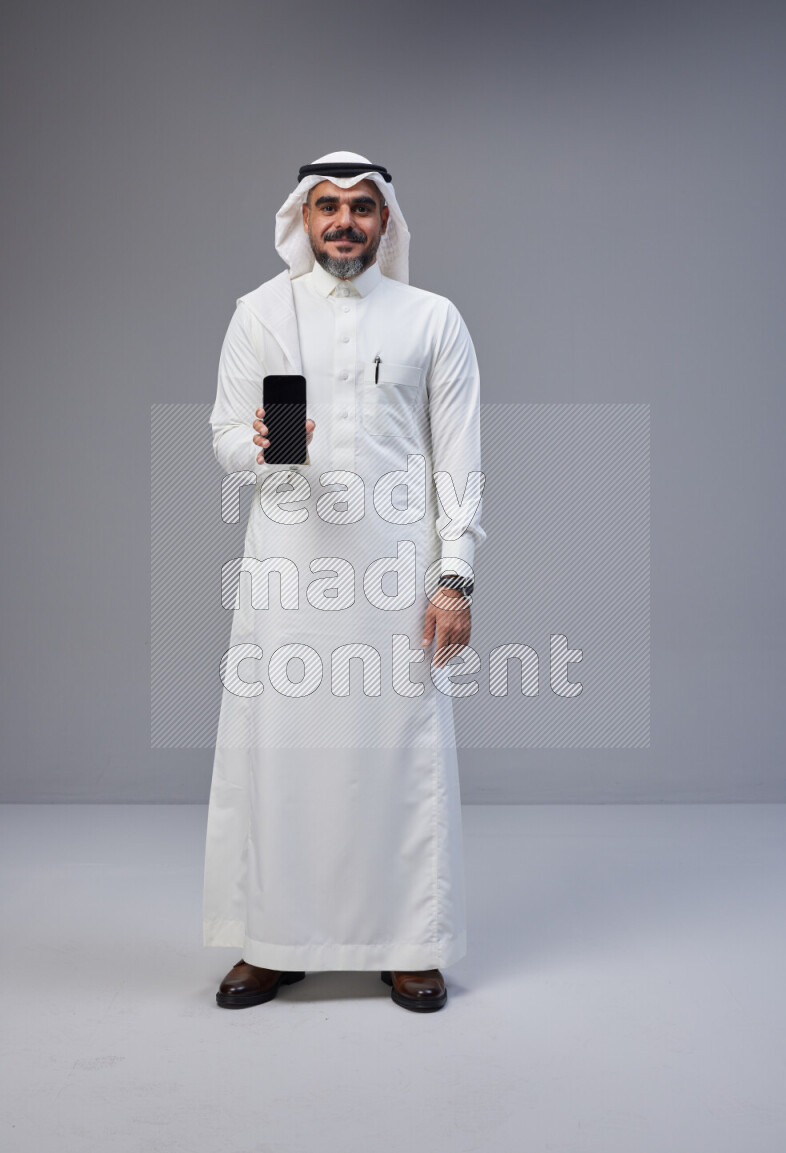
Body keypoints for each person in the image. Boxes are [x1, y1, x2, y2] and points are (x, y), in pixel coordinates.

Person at [203, 151, 485, 1012]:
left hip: (398, 576)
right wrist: (261, 443)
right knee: (281, 756)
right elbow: (224, 433)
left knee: (399, 757)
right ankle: (273, 942)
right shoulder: (262, 313)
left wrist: (455, 579)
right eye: (327, 206)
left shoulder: (432, 318)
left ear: (387, 221)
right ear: (302, 217)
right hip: (289, 573)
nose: (344, 223)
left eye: (362, 208)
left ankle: (411, 943)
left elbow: (458, 459)